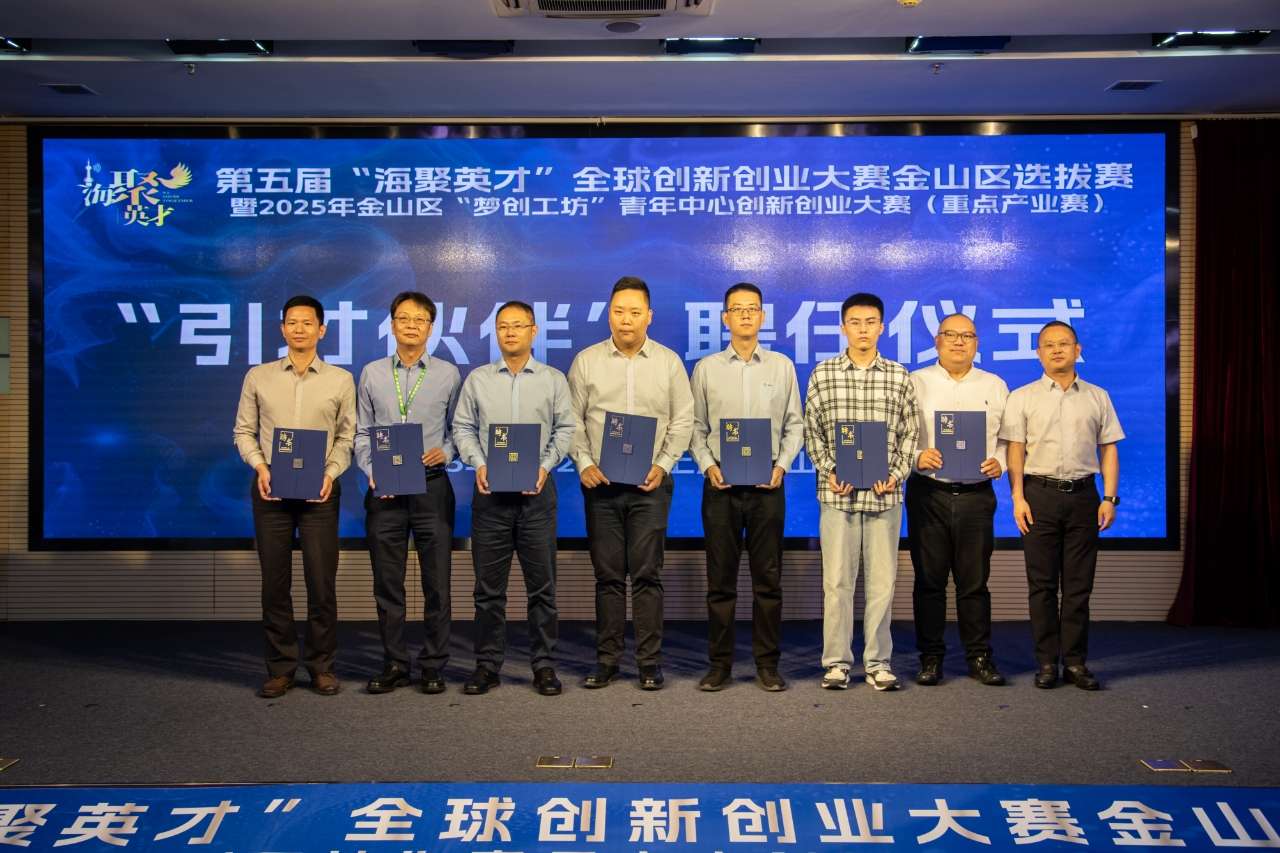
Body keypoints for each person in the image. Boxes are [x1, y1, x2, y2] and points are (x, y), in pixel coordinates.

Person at [568, 276, 694, 691]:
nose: (626, 319)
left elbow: (683, 420)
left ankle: (648, 662)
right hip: (601, 485)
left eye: (635, 312)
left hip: (649, 486)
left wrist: (664, 464)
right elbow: (572, 420)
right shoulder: (587, 361)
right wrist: (584, 462)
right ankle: (606, 660)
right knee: (607, 577)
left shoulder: (668, 362)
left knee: (647, 576)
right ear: (609, 314)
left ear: (649, 316)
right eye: (619, 311)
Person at [233, 294, 355, 698]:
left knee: (321, 583)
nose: (299, 329)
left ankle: (321, 666)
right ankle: (281, 668)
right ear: (282, 328)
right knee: (274, 583)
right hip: (272, 490)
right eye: (292, 322)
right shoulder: (259, 376)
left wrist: (331, 473)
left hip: (320, 491)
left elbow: (347, 436)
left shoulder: (340, 380)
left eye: (307, 322)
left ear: (322, 329)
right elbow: (243, 431)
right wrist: (261, 467)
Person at [452, 300, 576, 696]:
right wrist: (478, 463)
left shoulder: (553, 380)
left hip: (537, 496)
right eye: (503, 325)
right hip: (491, 497)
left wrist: (545, 466)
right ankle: (487, 665)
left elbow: (566, 428)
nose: (510, 332)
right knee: (488, 590)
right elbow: (462, 428)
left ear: (533, 331)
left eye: (518, 325)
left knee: (543, 588)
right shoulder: (478, 380)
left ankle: (544, 665)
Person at [689, 282, 803, 692]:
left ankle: (767, 665)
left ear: (762, 316)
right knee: (720, 582)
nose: (745, 315)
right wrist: (707, 465)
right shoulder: (706, 369)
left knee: (767, 582)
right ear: (725, 318)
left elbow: (795, 425)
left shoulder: (781, 367)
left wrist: (782, 465)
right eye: (737, 309)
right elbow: (695, 427)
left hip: (767, 485)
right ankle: (719, 665)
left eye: (752, 308)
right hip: (720, 486)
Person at [804, 292, 919, 692]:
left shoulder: (899, 376)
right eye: (855, 322)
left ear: (882, 327)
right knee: (836, 583)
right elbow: (812, 432)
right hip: (838, 495)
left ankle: (878, 662)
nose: (863, 329)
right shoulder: (824, 374)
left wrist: (896, 474)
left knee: (882, 584)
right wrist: (830, 469)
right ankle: (836, 663)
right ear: (843, 327)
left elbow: (910, 434)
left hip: (884, 496)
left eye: (870, 322)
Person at [1001, 320, 1123, 691]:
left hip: (1085, 496)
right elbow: (1015, 451)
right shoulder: (1022, 397)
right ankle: (1045, 663)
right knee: (1041, 586)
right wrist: (1017, 497)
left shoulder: (1098, 396)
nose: (1057, 350)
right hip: (1038, 496)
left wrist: (1109, 497)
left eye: (1064, 344)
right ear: (1038, 353)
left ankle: (1075, 662)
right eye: (1049, 345)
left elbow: (1108, 448)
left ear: (1077, 350)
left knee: (1078, 587)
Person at [354, 291, 461, 695]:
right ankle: (395, 663)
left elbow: (460, 430)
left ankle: (433, 665)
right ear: (392, 324)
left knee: (437, 583)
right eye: (403, 318)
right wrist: (372, 470)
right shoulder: (371, 374)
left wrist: (447, 451)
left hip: (431, 486)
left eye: (420, 319)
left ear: (431, 327)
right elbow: (361, 433)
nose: (411, 325)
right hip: (384, 491)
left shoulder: (449, 374)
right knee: (388, 582)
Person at [907, 313, 1009, 687]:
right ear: (937, 341)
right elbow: (899, 435)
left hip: (976, 496)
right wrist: (917, 456)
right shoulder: (915, 382)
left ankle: (979, 656)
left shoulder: (994, 385)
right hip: (928, 494)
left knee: (974, 583)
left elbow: (1008, 438)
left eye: (967, 336)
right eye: (950, 334)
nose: (958, 342)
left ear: (977, 343)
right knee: (929, 582)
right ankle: (930, 658)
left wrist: (1000, 461)